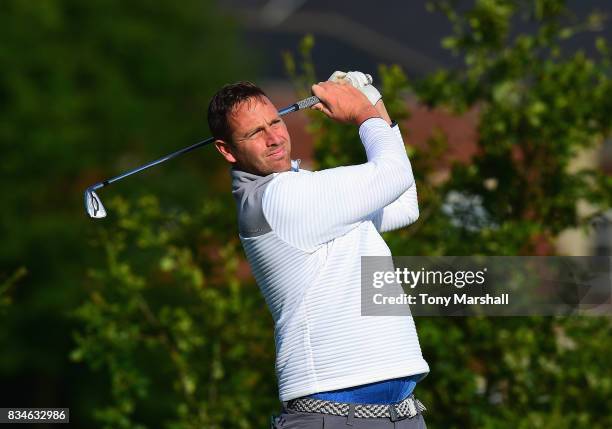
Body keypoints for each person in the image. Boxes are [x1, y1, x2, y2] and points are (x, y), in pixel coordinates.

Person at [208, 71, 430, 428]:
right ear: (227, 150)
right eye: (254, 133)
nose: (273, 138)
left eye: (275, 122)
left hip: (400, 413)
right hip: (332, 416)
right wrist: (362, 111)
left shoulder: (306, 191)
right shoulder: (279, 199)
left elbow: (404, 204)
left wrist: (374, 103)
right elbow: (394, 175)